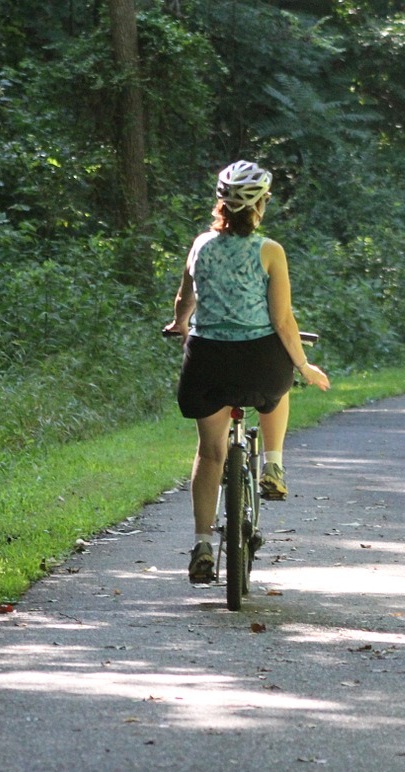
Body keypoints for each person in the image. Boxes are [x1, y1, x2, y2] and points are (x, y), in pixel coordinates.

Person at [165, 160, 330, 583]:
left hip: (207, 360)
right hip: (259, 361)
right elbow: (283, 321)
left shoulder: (200, 245)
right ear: (263, 204)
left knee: (210, 453)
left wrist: (181, 325)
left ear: (220, 203)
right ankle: (272, 465)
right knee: (279, 386)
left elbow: (185, 300)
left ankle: (203, 544)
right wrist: (303, 364)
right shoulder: (269, 251)